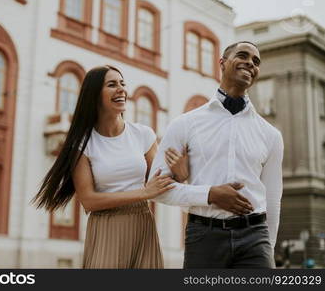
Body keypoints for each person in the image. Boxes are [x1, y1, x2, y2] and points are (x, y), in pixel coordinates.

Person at [32, 65, 187, 269]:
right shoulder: (82, 144)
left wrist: (181, 173)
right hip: (106, 226)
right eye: (112, 85)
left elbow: (162, 181)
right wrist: (144, 192)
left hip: (142, 224)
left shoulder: (143, 134)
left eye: (122, 84)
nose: (121, 89)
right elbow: (89, 200)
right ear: (95, 95)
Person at [150, 41, 284, 268]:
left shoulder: (270, 135)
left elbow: (272, 198)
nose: (250, 63)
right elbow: (156, 189)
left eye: (256, 61)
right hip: (204, 237)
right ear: (222, 63)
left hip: (255, 239)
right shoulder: (185, 124)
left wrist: (268, 248)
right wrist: (209, 194)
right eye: (243, 55)